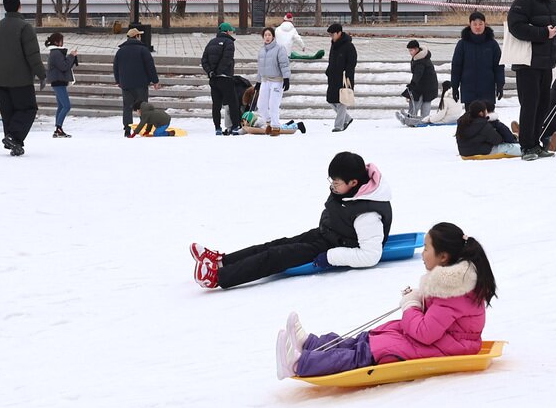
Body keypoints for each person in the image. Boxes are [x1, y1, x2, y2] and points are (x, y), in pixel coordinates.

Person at [275, 222, 494, 379]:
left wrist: (411, 305)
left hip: (444, 347)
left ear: (443, 257)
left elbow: (425, 333)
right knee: (364, 340)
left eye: (427, 248)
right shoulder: (451, 284)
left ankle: (299, 364)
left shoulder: (453, 292)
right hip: (438, 341)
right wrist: (418, 299)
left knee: (364, 353)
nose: (423, 253)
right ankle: (311, 344)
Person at [191, 152, 391, 289]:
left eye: (336, 183)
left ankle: (219, 277)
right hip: (326, 235)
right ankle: (221, 262)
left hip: (333, 247)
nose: (332, 186)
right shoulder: (351, 190)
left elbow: (370, 256)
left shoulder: (368, 216)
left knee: (275, 256)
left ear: (353, 182)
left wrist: (330, 257)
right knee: (274, 245)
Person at [506, 0, 556, 159]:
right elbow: (516, 27)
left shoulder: (553, 3)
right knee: (530, 104)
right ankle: (526, 146)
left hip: (546, 62)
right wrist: (543, 33)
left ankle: (536, 143)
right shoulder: (522, 1)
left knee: (543, 104)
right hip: (527, 62)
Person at [0, 0, 45, 157]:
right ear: (19, 6)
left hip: (1, 79)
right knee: (28, 109)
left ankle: (14, 143)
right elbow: (32, 55)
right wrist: (41, 74)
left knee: (8, 112)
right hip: (21, 80)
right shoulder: (24, 27)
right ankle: (13, 137)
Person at [113, 27, 160, 138]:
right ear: (137, 37)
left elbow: (115, 67)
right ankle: (145, 128)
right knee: (143, 106)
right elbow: (150, 66)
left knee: (127, 107)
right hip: (141, 84)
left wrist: (118, 81)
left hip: (126, 84)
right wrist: (155, 81)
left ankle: (127, 129)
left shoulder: (120, 51)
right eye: (139, 35)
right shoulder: (143, 50)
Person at [451, 11, 504, 107]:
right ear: (470, 25)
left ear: (485, 24)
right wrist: (455, 87)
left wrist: (500, 84)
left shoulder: (492, 44)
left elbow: (499, 66)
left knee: (488, 120)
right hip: (469, 91)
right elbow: (456, 66)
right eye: (474, 24)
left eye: (480, 24)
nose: (478, 27)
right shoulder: (462, 44)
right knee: (471, 120)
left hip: (487, 91)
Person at [202, 22, 243, 135]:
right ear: (227, 31)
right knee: (232, 102)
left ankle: (217, 127)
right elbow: (227, 59)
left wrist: (210, 72)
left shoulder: (211, 42)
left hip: (213, 79)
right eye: (231, 30)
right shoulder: (229, 42)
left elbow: (204, 60)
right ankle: (235, 126)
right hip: (225, 78)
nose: (232, 32)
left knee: (216, 104)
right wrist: (219, 71)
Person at [456, 100, 522, 157]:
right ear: (481, 113)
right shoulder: (483, 124)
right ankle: (518, 136)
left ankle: (516, 135)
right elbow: (497, 140)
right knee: (513, 148)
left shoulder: (463, 122)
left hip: (464, 152)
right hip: (482, 151)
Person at [44, 32, 78, 138]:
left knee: (61, 106)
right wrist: (71, 56)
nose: (63, 42)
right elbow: (64, 66)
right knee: (66, 106)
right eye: (61, 40)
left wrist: (70, 56)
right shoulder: (56, 53)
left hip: (59, 82)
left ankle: (58, 129)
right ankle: (58, 128)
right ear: (56, 42)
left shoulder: (56, 53)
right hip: (58, 82)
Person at [257, 26, 291, 133]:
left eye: (269, 35)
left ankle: (275, 126)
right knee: (261, 105)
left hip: (276, 81)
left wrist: (286, 78)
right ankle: (269, 122)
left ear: (273, 36)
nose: (267, 37)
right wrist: (258, 82)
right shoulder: (262, 50)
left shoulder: (279, 48)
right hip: (265, 81)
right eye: (265, 35)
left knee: (273, 104)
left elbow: (284, 64)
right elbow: (260, 68)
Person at [325, 22, 357, 132]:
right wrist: (328, 71)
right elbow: (331, 60)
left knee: (342, 101)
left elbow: (352, 63)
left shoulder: (349, 46)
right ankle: (347, 119)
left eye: (333, 34)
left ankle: (338, 126)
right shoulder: (333, 45)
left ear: (339, 33)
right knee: (330, 100)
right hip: (333, 77)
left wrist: (348, 75)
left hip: (344, 78)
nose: (331, 37)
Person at [400, 39, 439, 124]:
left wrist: (412, 84)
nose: (410, 52)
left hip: (428, 86)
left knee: (423, 102)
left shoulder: (420, 61)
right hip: (424, 85)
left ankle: (422, 120)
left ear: (417, 49)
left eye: (411, 50)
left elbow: (418, 74)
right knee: (419, 100)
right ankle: (414, 119)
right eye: (409, 50)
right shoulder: (419, 57)